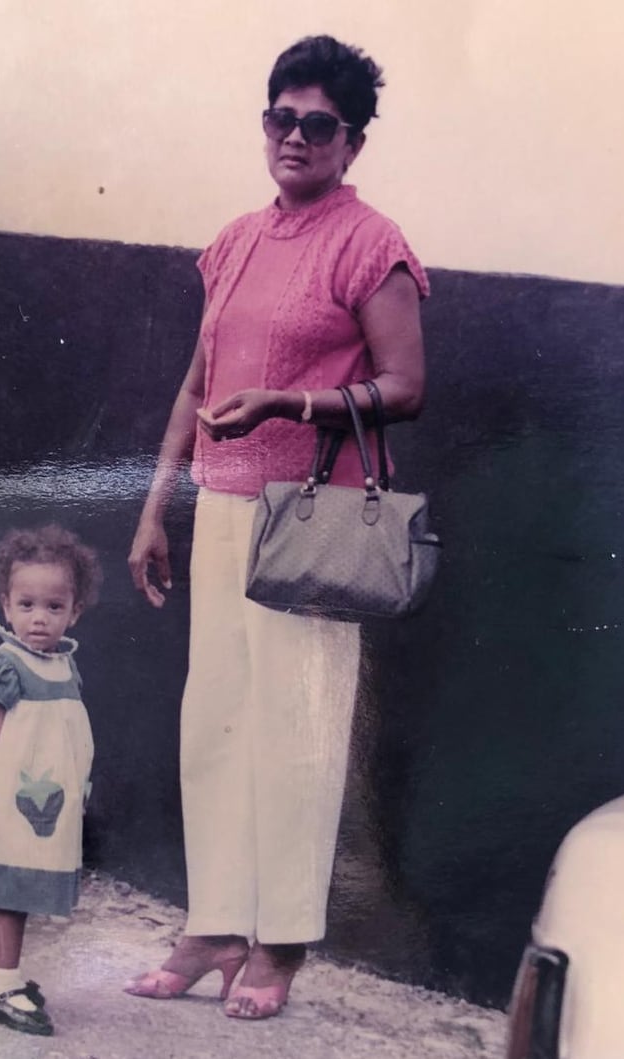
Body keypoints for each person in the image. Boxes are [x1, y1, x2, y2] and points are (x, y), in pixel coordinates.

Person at [126, 34, 428, 1020]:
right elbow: (195, 383)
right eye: (279, 119)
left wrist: (289, 408)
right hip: (219, 507)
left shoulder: (370, 245)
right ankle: (213, 923)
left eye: (317, 126)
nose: (293, 139)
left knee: (296, 730)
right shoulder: (233, 240)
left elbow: (405, 387)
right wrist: (155, 509)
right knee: (212, 720)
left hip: (307, 520)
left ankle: (281, 941)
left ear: (350, 142)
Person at [0, 524, 103, 1037]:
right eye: (27, 604)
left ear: (75, 611)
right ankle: (3, 986)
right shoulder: (4, 667)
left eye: (54, 607)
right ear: (6, 606)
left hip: (44, 797)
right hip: (1, 794)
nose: (40, 618)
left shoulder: (65, 665)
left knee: (2, 879)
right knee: (9, 884)